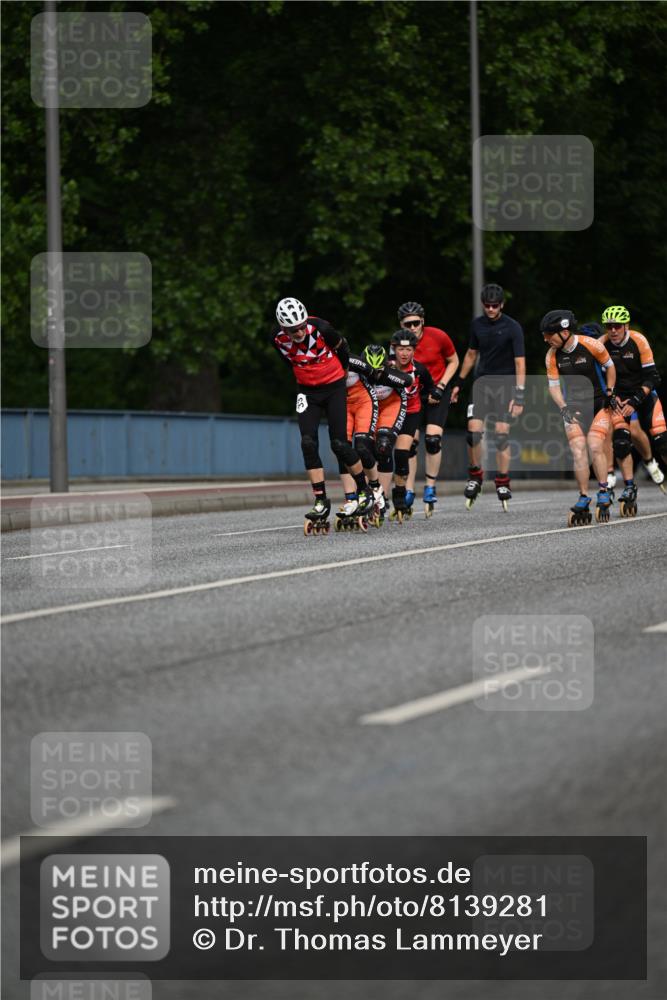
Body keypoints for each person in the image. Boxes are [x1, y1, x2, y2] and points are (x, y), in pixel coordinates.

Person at [271, 297, 373, 535]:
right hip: (307, 391)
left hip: (334, 387)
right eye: (292, 329)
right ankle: (321, 500)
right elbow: (288, 360)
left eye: (300, 326)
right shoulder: (275, 337)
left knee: (339, 444)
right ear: (283, 327)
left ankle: (363, 490)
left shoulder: (321, 329)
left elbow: (343, 350)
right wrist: (305, 374)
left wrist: (341, 373)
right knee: (307, 442)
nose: (297, 332)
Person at [450, 283, 525, 511]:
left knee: (501, 435)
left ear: (501, 305)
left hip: (505, 385)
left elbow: (520, 362)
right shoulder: (477, 324)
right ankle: (475, 475)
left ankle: (502, 481)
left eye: (495, 306)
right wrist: (459, 383)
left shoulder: (513, 327)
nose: (491, 309)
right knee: (473, 433)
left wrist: (519, 395)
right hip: (481, 384)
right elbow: (471, 354)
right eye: (487, 306)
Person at [541, 309, 617, 525]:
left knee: (594, 444)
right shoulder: (552, 356)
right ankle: (584, 496)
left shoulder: (591, 345)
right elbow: (554, 387)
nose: (546, 339)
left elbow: (610, 369)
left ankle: (604, 490)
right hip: (573, 406)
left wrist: (610, 392)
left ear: (564, 332)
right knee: (577, 449)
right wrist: (563, 407)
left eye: (549, 334)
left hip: (598, 403)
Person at [599, 305, 666, 514]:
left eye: (617, 326)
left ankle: (653, 463)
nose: (613, 331)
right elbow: (599, 377)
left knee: (662, 442)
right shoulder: (602, 345)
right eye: (609, 326)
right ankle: (629, 488)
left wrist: (635, 401)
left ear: (626, 325)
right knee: (620, 443)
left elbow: (653, 377)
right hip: (619, 399)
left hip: (643, 396)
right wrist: (611, 396)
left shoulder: (639, 341)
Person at [396, 301, 459, 515]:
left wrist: (441, 387)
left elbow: (454, 361)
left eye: (416, 323)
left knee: (432, 440)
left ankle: (430, 486)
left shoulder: (438, 336)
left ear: (423, 321)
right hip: (414, 394)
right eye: (407, 324)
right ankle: (409, 489)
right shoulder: (399, 344)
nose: (412, 328)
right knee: (410, 443)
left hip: (439, 390)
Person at [387, 329, 435, 521]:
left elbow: (430, 390)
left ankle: (399, 498)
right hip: (389, 412)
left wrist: (435, 396)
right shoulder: (387, 367)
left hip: (411, 413)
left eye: (408, 349)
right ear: (394, 349)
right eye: (400, 349)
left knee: (401, 454)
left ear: (414, 350)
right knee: (380, 451)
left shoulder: (420, 370)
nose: (404, 353)